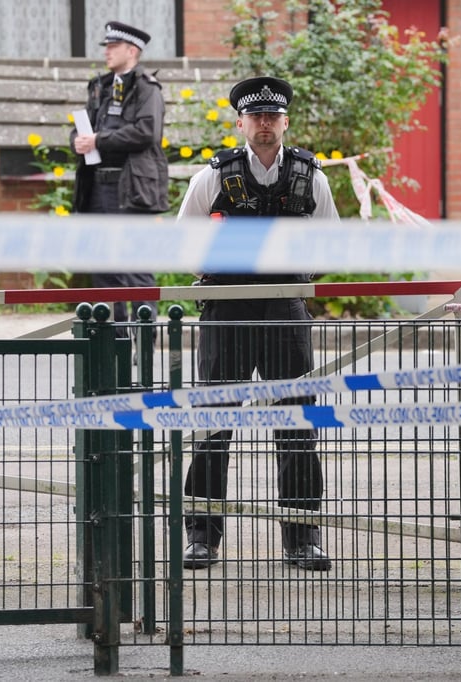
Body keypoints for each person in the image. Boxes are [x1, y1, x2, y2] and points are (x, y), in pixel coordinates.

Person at [176, 76, 340, 571]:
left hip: (286, 308)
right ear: (242, 123)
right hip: (227, 308)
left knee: (295, 424)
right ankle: (202, 535)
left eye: (273, 117)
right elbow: (184, 242)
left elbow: (332, 241)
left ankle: (302, 538)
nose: (264, 125)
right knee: (212, 423)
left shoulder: (311, 175)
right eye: (256, 117)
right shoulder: (211, 177)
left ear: (285, 122)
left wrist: (295, 280)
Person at [71, 21, 169, 336]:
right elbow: (84, 127)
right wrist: (78, 138)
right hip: (98, 188)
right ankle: (113, 339)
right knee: (103, 267)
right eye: (106, 46)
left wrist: (98, 140)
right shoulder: (99, 86)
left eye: (113, 47)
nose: (106, 52)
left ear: (132, 50)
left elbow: (146, 132)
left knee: (134, 267)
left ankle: (144, 339)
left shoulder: (146, 88)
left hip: (131, 191)